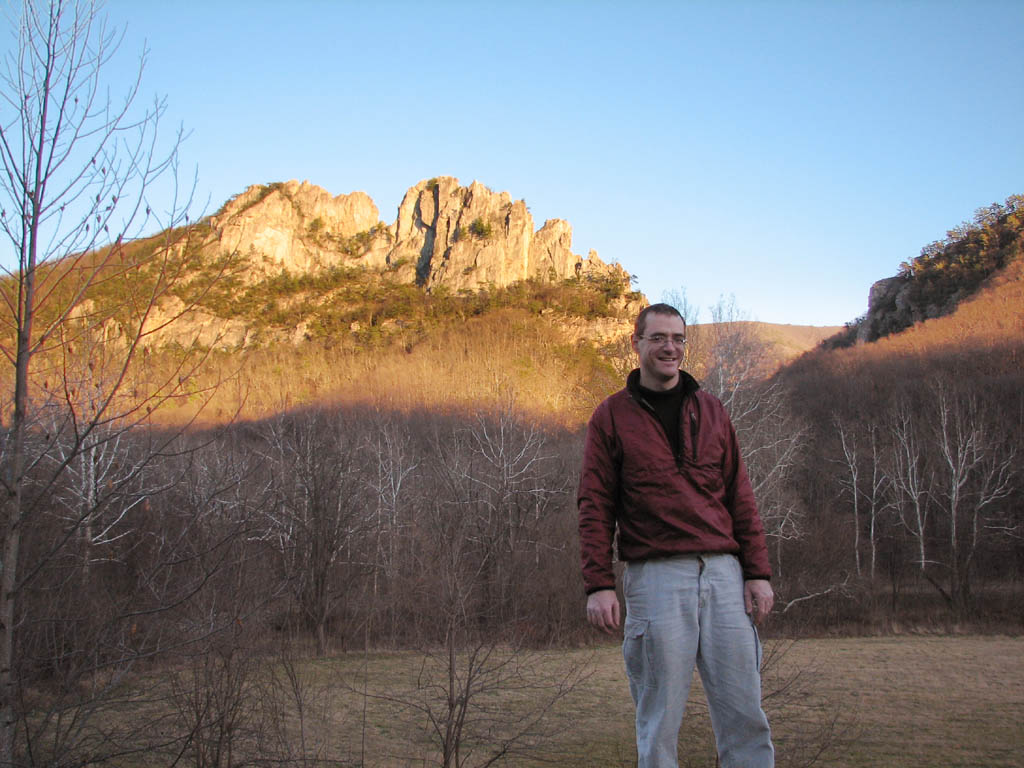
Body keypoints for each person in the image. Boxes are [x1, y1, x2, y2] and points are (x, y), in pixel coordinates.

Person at [577, 303, 775, 768]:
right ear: (637, 343)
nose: (670, 347)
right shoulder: (610, 417)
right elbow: (594, 505)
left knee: (745, 713)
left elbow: (740, 496)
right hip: (656, 576)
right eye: (659, 338)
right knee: (659, 718)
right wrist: (599, 583)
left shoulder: (712, 410)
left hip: (725, 575)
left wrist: (758, 573)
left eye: (678, 339)